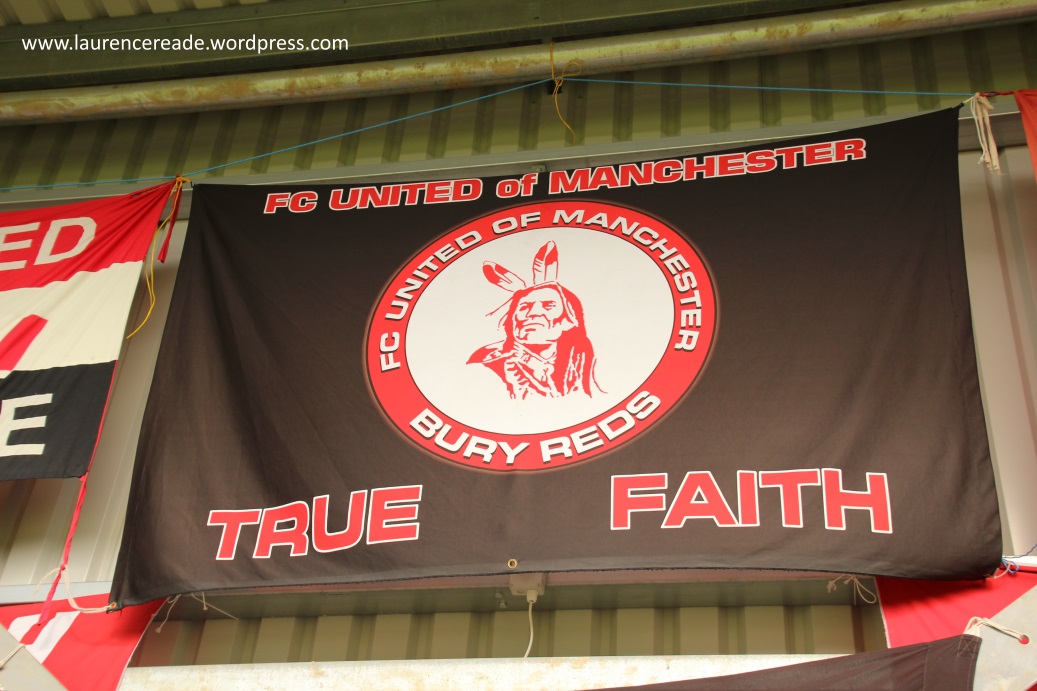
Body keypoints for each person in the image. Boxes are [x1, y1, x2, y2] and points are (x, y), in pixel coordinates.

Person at [468, 242, 600, 399]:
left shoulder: (584, 360)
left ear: (569, 319)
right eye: (524, 307)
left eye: (548, 306)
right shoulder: (489, 365)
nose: (533, 313)